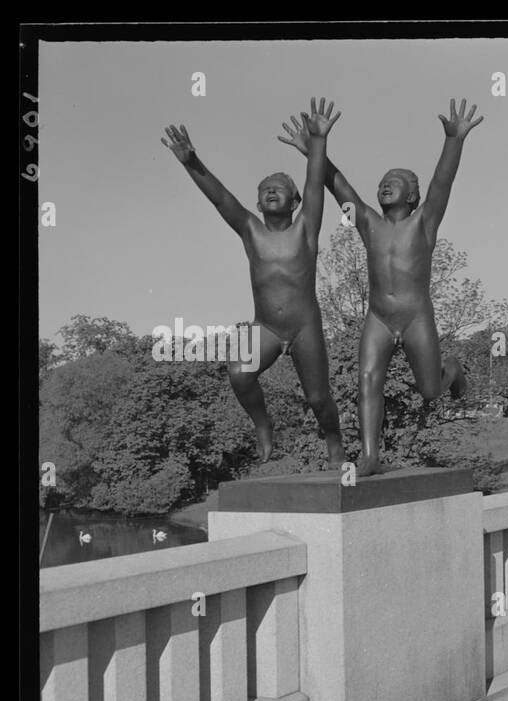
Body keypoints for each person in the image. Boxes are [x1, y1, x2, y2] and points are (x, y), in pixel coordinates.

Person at [279, 98, 480, 476]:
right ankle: (370, 455)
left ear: (412, 196)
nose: (387, 185)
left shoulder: (425, 223)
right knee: (367, 379)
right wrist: (314, 151)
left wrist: (454, 140)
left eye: (397, 183)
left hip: (416, 316)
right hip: (379, 318)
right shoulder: (367, 222)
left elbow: (442, 182)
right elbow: (341, 191)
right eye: (384, 182)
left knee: (430, 392)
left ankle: (451, 369)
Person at [163, 100, 346, 465]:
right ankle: (264, 427)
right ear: (258, 204)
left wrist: (318, 142)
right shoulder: (250, 230)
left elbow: (314, 183)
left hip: (304, 327)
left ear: (295, 201)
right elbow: (220, 198)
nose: (271, 191)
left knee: (317, 398)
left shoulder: (306, 229)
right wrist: (191, 163)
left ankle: (335, 441)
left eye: (279, 188)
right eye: (265, 190)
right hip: (265, 326)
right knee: (238, 373)